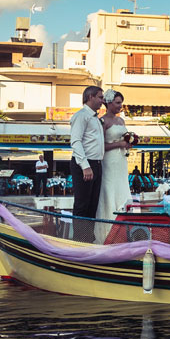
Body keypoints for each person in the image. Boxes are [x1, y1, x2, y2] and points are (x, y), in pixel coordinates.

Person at [95, 89, 133, 243]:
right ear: (108, 103)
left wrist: (128, 143)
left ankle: (123, 231)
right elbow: (100, 146)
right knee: (109, 191)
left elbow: (124, 139)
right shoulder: (103, 121)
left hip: (121, 161)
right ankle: (108, 232)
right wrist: (120, 144)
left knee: (122, 188)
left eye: (121, 103)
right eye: (118, 103)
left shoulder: (121, 121)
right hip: (109, 161)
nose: (120, 106)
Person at [70, 85, 106, 242]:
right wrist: (85, 166)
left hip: (96, 163)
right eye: (100, 97)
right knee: (82, 204)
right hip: (85, 164)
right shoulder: (81, 116)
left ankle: (88, 238)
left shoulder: (95, 118)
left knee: (93, 204)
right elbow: (76, 141)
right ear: (90, 97)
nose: (102, 101)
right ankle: (79, 239)